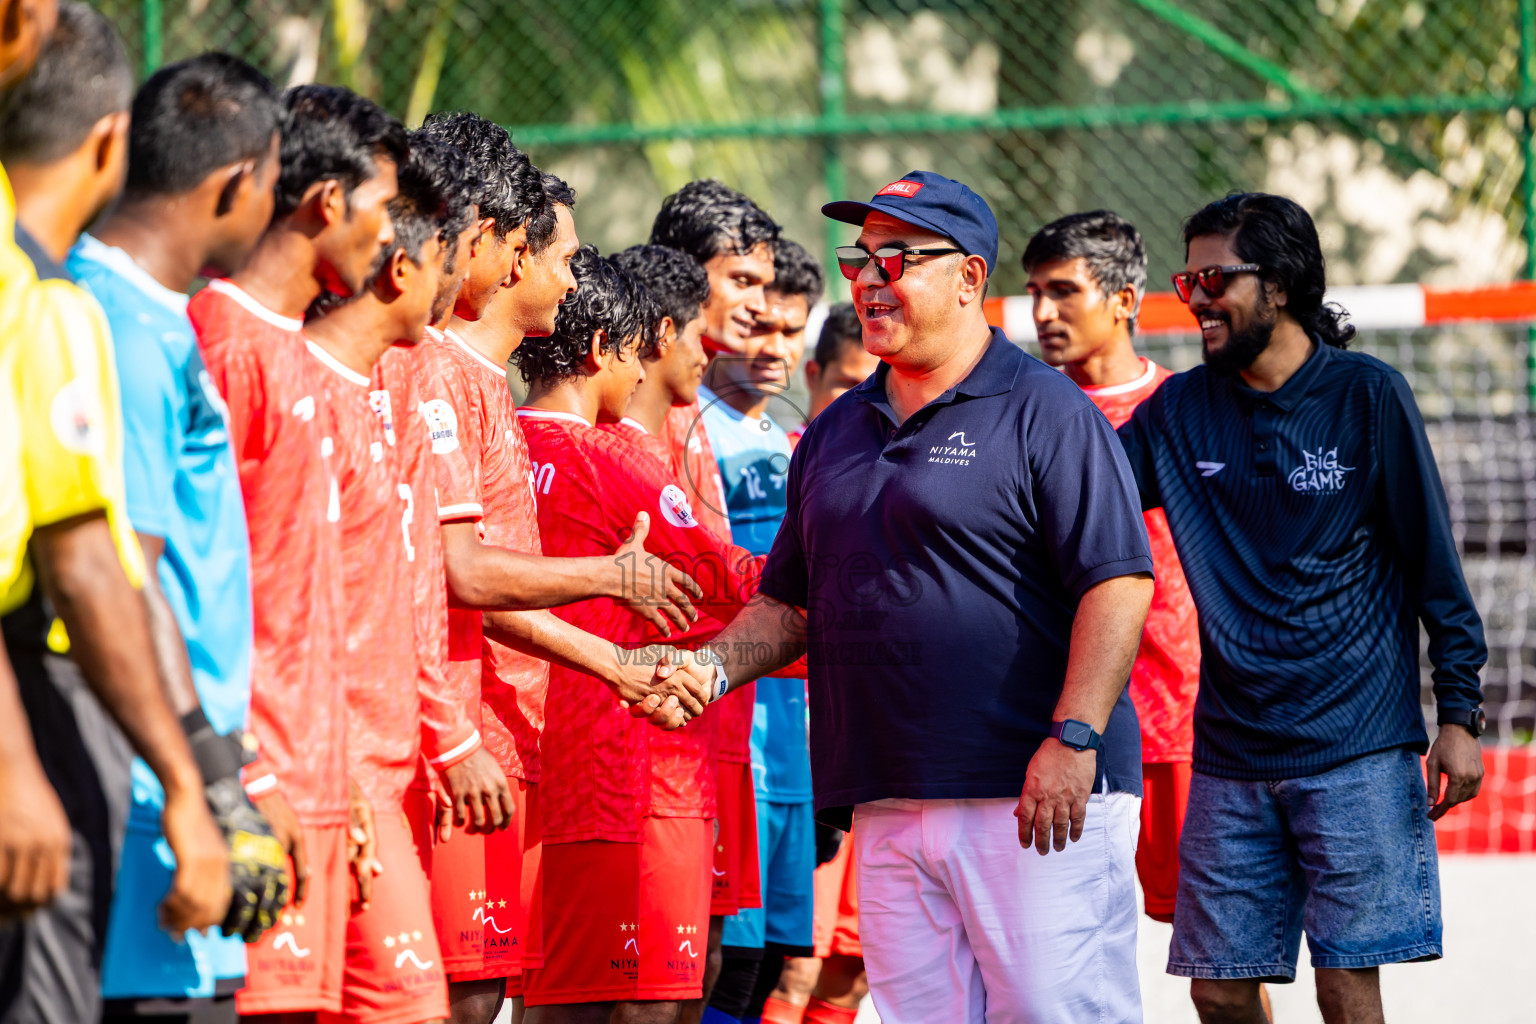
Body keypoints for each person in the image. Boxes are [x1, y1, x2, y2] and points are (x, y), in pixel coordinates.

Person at [667, 171, 1155, 1024]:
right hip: (887, 798)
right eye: (862, 258)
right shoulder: (834, 431)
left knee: (1057, 1015)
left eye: (900, 258)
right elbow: (791, 607)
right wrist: (699, 671)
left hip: (1034, 793)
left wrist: (1074, 738)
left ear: (969, 278)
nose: (869, 278)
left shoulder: (1048, 412)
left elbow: (1117, 582)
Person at [1117, 192, 1488, 1024]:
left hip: (1356, 744)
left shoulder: (1366, 396)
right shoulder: (1178, 409)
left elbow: (1436, 567)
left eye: (1215, 276)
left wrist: (1460, 712)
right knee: (1217, 986)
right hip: (1230, 747)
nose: (1198, 297)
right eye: (1188, 280)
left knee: (1345, 985)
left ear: (1280, 285)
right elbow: (1080, 494)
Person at [406, 121, 700, 1024]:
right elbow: (466, 577)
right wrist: (610, 585)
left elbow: (496, 584)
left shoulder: (486, 389)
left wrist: (616, 664)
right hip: (458, 738)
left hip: (509, 740)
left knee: (489, 993)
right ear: (506, 250)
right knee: (460, 996)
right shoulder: (441, 375)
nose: (573, 279)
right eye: (560, 256)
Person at [0, 9, 233, 1020]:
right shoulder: (50, 309)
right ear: (110, 142)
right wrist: (192, 784)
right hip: (34, 694)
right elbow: (93, 566)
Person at [68, 51, 293, 1024]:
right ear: (234, 183)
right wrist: (205, 779)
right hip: (142, 785)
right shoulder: (110, 322)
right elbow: (129, 573)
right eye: (274, 183)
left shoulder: (157, 318)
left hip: (184, 781)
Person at [192, 82, 406, 1022]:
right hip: (253, 790)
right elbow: (186, 580)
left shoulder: (296, 356)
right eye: (385, 207)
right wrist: (254, 774)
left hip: (318, 789)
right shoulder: (224, 343)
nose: (393, 236)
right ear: (327, 204)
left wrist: (342, 773)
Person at [514, 247, 762, 1024]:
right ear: (603, 351)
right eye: (637, 352)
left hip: (540, 756)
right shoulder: (609, 453)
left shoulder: (504, 436)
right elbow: (725, 580)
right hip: (621, 766)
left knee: (546, 993)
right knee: (631, 1002)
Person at [304, 127, 497, 1024]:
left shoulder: (398, 375)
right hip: (322, 772)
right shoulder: (266, 361)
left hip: (393, 758)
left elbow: (399, 586)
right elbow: (292, 602)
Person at [1021, 211, 1203, 928]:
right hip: (1060, 728)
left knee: (1216, 963)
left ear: (1126, 300)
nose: (1042, 312)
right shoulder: (1019, 412)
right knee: (1063, 951)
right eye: (1034, 291)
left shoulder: (1189, 410)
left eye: (1064, 291)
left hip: (1181, 722)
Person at [697, 239, 822, 1024]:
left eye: (791, 332)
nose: (773, 348)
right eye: (760, 327)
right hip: (727, 741)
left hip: (792, 747)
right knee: (723, 967)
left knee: (774, 966)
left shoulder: (786, 439)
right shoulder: (693, 433)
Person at [766, 306, 881, 1024]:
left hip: (879, 756)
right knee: (794, 967)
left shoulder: (897, 462)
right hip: (799, 755)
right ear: (813, 376)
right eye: (846, 383)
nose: (863, 400)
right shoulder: (793, 459)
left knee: (853, 967)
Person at [788, 303, 880, 448]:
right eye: (850, 384)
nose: (865, 400)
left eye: (875, 389)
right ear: (813, 375)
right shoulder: (777, 460)